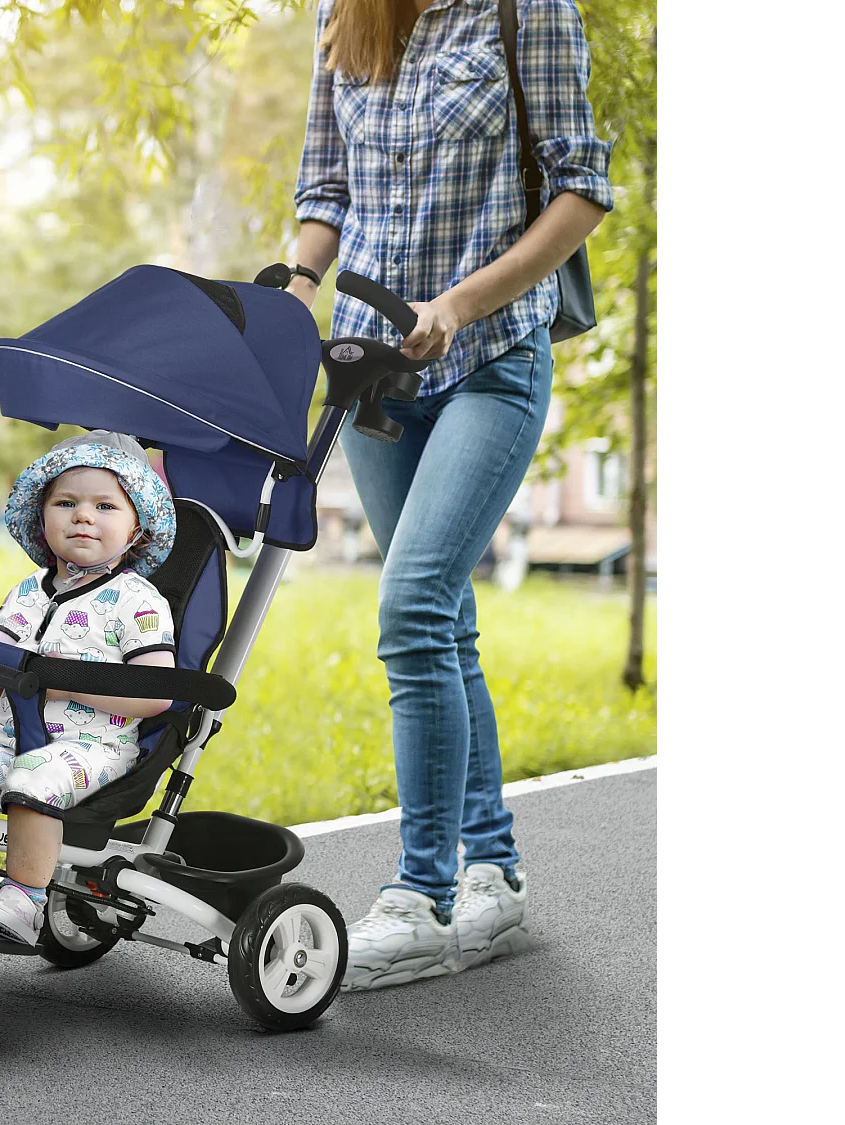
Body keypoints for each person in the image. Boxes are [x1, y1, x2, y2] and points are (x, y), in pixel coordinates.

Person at [286, 0, 612, 989]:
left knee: (415, 608)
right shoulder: (345, 15)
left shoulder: (526, 11)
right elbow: (325, 186)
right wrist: (291, 290)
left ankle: (419, 896)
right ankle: (495, 875)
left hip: (489, 356)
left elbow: (581, 189)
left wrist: (463, 302)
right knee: (446, 624)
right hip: (376, 368)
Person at [0, 431, 179, 944]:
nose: (83, 516)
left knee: (33, 777)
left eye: (105, 506)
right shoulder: (27, 594)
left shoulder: (136, 601)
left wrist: (63, 685)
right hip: (12, 740)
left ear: (136, 529)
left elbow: (157, 693)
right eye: (66, 503)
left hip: (94, 746)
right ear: (43, 518)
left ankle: (25, 899)